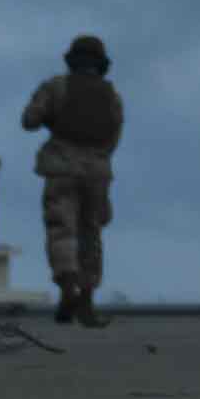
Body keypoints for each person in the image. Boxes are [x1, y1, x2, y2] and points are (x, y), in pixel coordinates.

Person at [22, 35, 123, 327]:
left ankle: (68, 287)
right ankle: (87, 301)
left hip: (61, 166)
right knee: (92, 234)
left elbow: (29, 120)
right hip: (97, 171)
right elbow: (114, 136)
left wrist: (53, 119)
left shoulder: (56, 86)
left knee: (61, 230)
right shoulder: (111, 95)